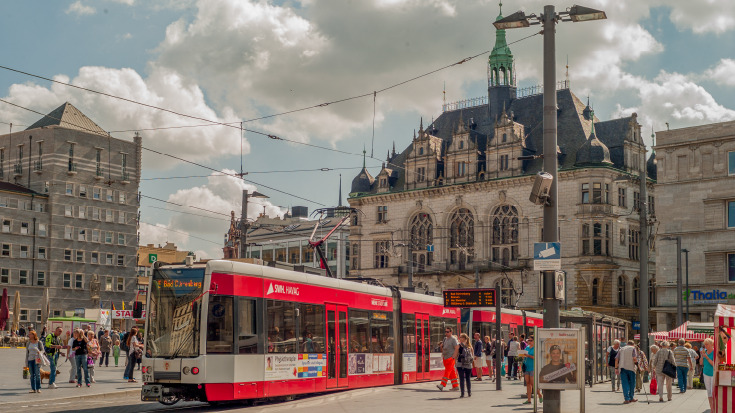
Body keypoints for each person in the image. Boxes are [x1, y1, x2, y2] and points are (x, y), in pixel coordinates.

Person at [518, 336, 542, 404]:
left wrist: (528, 356)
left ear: (534, 341)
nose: (529, 342)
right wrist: (522, 355)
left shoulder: (536, 348)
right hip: (526, 367)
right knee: (528, 383)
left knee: (533, 383)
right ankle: (529, 400)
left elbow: (536, 357)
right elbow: (524, 355)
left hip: (533, 367)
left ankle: (539, 395)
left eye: (531, 340)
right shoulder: (527, 347)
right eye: (528, 340)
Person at [436, 327, 460, 391]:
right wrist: (441, 347)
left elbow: (457, 347)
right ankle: (455, 386)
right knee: (451, 372)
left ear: (451, 332)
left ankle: (442, 384)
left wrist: (454, 356)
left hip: (450, 357)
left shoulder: (453, 339)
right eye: (445, 331)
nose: (446, 333)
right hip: (445, 357)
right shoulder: (445, 339)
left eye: (447, 332)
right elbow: (443, 348)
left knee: (447, 371)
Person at [615, 340, 638, 404]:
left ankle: (626, 399)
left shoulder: (621, 349)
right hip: (631, 368)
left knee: (625, 383)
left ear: (627, 344)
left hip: (622, 368)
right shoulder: (633, 348)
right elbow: (634, 358)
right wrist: (637, 364)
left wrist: (616, 368)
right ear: (633, 344)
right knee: (632, 383)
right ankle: (631, 397)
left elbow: (616, 359)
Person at [456, 333, 474, 398]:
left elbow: (455, 355)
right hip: (468, 364)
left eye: (460, 337)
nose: (459, 338)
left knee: (461, 379)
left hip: (460, 364)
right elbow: (472, 356)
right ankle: (469, 392)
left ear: (463, 338)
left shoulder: (459, 346)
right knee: (468, 379)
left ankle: (462, 393)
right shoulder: (470, 346)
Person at [702, 338, 715, 413]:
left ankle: (715, 408)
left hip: (713, 374)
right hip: (706, 373)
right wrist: (702, 356)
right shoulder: (705, 352)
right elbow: (701, 363)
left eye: (707, 344)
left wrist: (706, 357)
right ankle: (712, 409)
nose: (705, 346)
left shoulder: (714, 352)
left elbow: (714, 364)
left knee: (713, 392)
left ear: (711, 344)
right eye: (705, 344)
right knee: (709, 392)